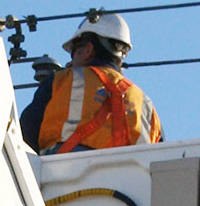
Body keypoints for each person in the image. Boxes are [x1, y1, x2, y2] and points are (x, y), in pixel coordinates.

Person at [20, 13, 162, 154]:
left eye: (73, 53)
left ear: (87, 50)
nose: (71, 61)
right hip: (130, 169)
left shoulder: (62, 81)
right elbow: (164, 156)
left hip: (63, 167)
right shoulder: (145, 104)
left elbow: (26, 134)